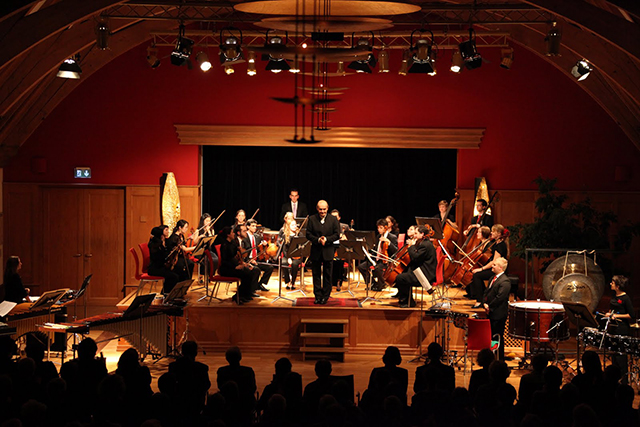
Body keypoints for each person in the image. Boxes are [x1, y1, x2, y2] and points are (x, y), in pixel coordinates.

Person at [306, 200, 340, 305]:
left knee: (327, 275)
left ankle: (325, 296)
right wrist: (317, 240)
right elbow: (308, 234)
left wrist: (327, 239)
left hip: (328, 251)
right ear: (317, 208)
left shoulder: (333, 219)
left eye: (324, 209)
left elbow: (337, 234)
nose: (322, 211)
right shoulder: (311, 219)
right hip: (316, 251)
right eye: (320, 209)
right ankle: (317, 296)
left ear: (327, 208)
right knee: (316, 275)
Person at [394, 225, 437, 308]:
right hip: (420, 271)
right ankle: (407, 299)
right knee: (404, 274)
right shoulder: (423, 243)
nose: (414, 235)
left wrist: (412, 246)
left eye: (416, 233)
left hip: (424, 275)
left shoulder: (425, 245)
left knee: (400, 278)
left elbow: (415, 257)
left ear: (422, 234)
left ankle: (407, 301)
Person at [602, 275, 635, 382]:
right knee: (614, 355)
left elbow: (631, 315)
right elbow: (613, 310)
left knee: (621, 356)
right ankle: (614, 380)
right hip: (613, 328)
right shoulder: (614, 296)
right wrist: (609, 314)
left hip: (622, 329)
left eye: (613, 282)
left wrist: (616, 316)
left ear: (618, 286)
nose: (610, 284)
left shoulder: (625, 298)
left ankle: (624, 380)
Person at [469, 224, 509, 308]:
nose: (491, 233)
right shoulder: (496, 243)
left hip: (499, 270)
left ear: (498, 234)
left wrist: (481, 269)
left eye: (493, 231)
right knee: (476, 275)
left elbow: (494, 261)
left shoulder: (500, 246)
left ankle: (480, 300)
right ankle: (483, 298)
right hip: (495, 268)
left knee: (477, 275)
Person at [218, 225, 260, 304]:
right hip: (226, 269)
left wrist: (243, 264)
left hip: (233, 266)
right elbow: (225, 261)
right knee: (246, 274)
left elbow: (236, 257)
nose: (233, 234)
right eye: (232, 233)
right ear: (228, 235)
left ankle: (244, 295)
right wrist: (236, 266)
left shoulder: (233, 243)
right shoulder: (224, 245)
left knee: (250, 272)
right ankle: (238, 296)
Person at [216, 346, 257, 423]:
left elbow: (220, 387)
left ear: (227, 358)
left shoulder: (222, 371)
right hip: (245, 406)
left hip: (226, 405)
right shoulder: (248, 371)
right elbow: (253, 388)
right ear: (240, 357)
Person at [358, 218, 398, 291]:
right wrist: (371, 254)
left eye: (381, 228)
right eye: (378, 228)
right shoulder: (378, 237)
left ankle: (381, 284)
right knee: (361, 267)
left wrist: (389, 243)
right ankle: (373, 283)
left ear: (385, 228)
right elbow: (376, 249)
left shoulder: (392, 237)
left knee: (377, 268)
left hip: (385, 260)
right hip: (376, 258)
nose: (379, 229)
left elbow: (395, 251)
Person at [482, 257, 511, 360]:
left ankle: (499, 358)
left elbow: (500, 297)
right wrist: (484, 303)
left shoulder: (505, 282)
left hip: (498, 314)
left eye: (494, 265)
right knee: (492, 336)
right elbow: (486, 292)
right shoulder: (492, 278)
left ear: (500, 267)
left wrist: (490, 306)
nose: (492, 266)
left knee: (497, 336)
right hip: (490, 312)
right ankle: (492, 357)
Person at [243, 219, 273, 292]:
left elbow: (261, 249)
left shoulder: (257, 237)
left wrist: (266, 245)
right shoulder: (244, 237)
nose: (255, 228)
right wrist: (249, 260)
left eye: (255, 226)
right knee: (256, 270)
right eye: (253, 226)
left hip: (256, 260)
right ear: (248, 227)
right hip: (248, 261)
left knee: (270, 267)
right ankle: (252, 288)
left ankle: (260, 284)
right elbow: (243, 253)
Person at [147, 225, 180, 293]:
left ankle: (167, 293)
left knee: (176, 272)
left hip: (159, 266)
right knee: (173, 277)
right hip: (154, 269)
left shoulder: (159, 244)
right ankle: (166, 294)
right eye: (161, 235)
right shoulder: (154, 245)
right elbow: (159, 258)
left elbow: (164, 255)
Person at [278, 212, 302, 290]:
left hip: (297, 256)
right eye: (292, 225)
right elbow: (284, 249)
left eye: (295, 225)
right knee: (284, 262)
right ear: (289, 226)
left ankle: (293, 282)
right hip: (287, 255)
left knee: (295, 264)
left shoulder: (299, 234)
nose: (294, 227)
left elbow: (302, 246)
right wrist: (288, 257)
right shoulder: (285, 234)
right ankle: (288, 281)